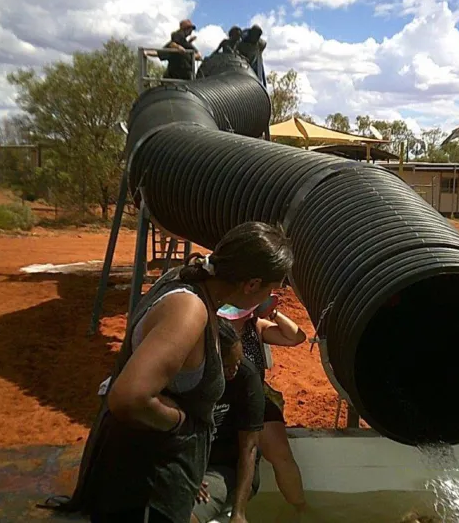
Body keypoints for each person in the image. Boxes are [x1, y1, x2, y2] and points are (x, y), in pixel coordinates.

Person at [46, 222, 293, 523]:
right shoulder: (188, 310)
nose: (269, 296)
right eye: (270, 289)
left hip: (148, 480)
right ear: (252, 284)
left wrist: (228, 345)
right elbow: (129, 398)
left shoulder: (187, 280)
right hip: (147, 492)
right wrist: (182, 422)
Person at [218, 293, 308, 513]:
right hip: (218, 401)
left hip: (254, 398)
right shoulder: (211, 329)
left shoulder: (255, 327)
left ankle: (301, 510)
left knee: (281, 454)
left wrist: (273, 312)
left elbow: (296, 337)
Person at [191, 320, 264, 523]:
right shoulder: (186, 376)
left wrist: (239, 513)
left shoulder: (245, 378)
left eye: (238, 362)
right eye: (226, 366)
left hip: (224, 468)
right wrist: (187, 474)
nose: (234, 369)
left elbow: (249, 448)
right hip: (189, 463)